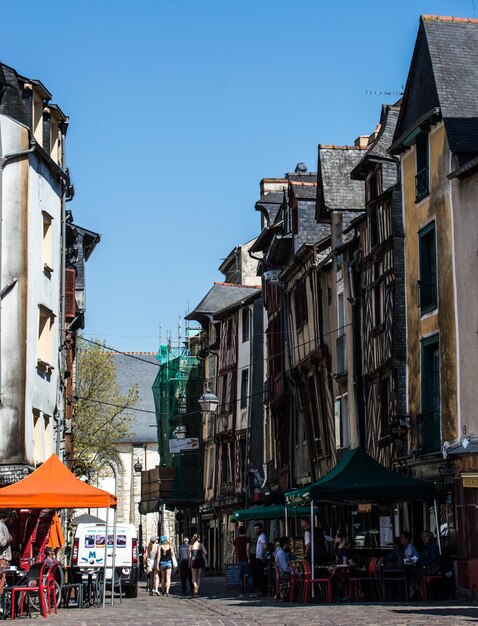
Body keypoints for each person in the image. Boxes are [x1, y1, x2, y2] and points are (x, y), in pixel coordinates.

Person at [234, 526, 252, 598]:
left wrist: (235, 558)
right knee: (250, 576)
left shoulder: (236, 540)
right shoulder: (247, 539)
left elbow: (234, 551)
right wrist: (249, 558)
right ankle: (251, 592)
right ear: (245, 531)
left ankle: (242, 593)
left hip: (240, 559)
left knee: (241, 576)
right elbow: (247, 549)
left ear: (239, 532)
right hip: (246, 559)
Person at [251, 523, 267, 595]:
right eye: (255, 529)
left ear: (261, 529)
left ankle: (262, 591)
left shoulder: (262, 536)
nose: (256, 531)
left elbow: (264, 546)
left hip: (260, 559)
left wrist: (263, 556)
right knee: (259, 575)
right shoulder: (261, 536)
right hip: (259, 558)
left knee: (261, 575)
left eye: (257, 529)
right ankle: (261, 590)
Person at [0, 510, 12, 608]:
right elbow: (2, 542)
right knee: (1, 582)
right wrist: (9, 539)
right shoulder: (1, 526)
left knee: (2, 582)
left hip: (3, 557)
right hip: (2, 557)